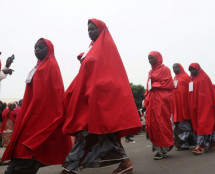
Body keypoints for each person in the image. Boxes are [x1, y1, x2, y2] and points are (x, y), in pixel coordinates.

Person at [61, 19, 141, 174]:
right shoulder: (92, 48)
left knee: (89, 135)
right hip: (89, 100)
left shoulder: (106, 47)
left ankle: (70, 169)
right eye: (88, 29)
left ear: (101, 29)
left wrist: (95, 93)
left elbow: (107, 76)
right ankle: (125, 163)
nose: (90, 32)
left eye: (93, 29)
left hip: (100, 100)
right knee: (101, 135)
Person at [2, 38, 72, 174]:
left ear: (49, 49)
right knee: (25, 147)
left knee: (28, 146)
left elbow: (56, 92)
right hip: (31, 113)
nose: (37, 50)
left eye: (40, 47)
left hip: (42, 115)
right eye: (35, 47)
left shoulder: (51, 65)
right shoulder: (37, 66)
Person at [144, 51, 174, 160]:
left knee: (162, 122)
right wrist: (146, 100)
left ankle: (165, 146)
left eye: (152, 58)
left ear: (158, 58)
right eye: (149, 58)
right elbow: (148, 87)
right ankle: (159, 148)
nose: (150, 61)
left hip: (161, 99)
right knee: (152, 124)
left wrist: (155, 85)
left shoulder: (165, 69)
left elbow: (168, 83)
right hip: (151, 100)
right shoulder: (150, 72)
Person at [188, 63, 215, 155]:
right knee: (205, 124)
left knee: (202, 124)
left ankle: (200, 145)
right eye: (190, 70)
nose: (191, 71)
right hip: (196, 106)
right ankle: (213, 141)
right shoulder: (192, 80)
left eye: (193, 69)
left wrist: (205, 105)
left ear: (198, 69)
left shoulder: (203, 78)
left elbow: (206, 95)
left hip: (205, 105)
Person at [171, 63, 196, 150]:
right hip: (176, 106)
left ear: (180, 67)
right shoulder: (174, 78)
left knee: (186, 125)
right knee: (177, 126)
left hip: (185, 105)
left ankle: (189, 142)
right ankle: (181, 144)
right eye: (173, 68)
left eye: (176, 67)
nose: (174, 69)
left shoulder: (186, 77)